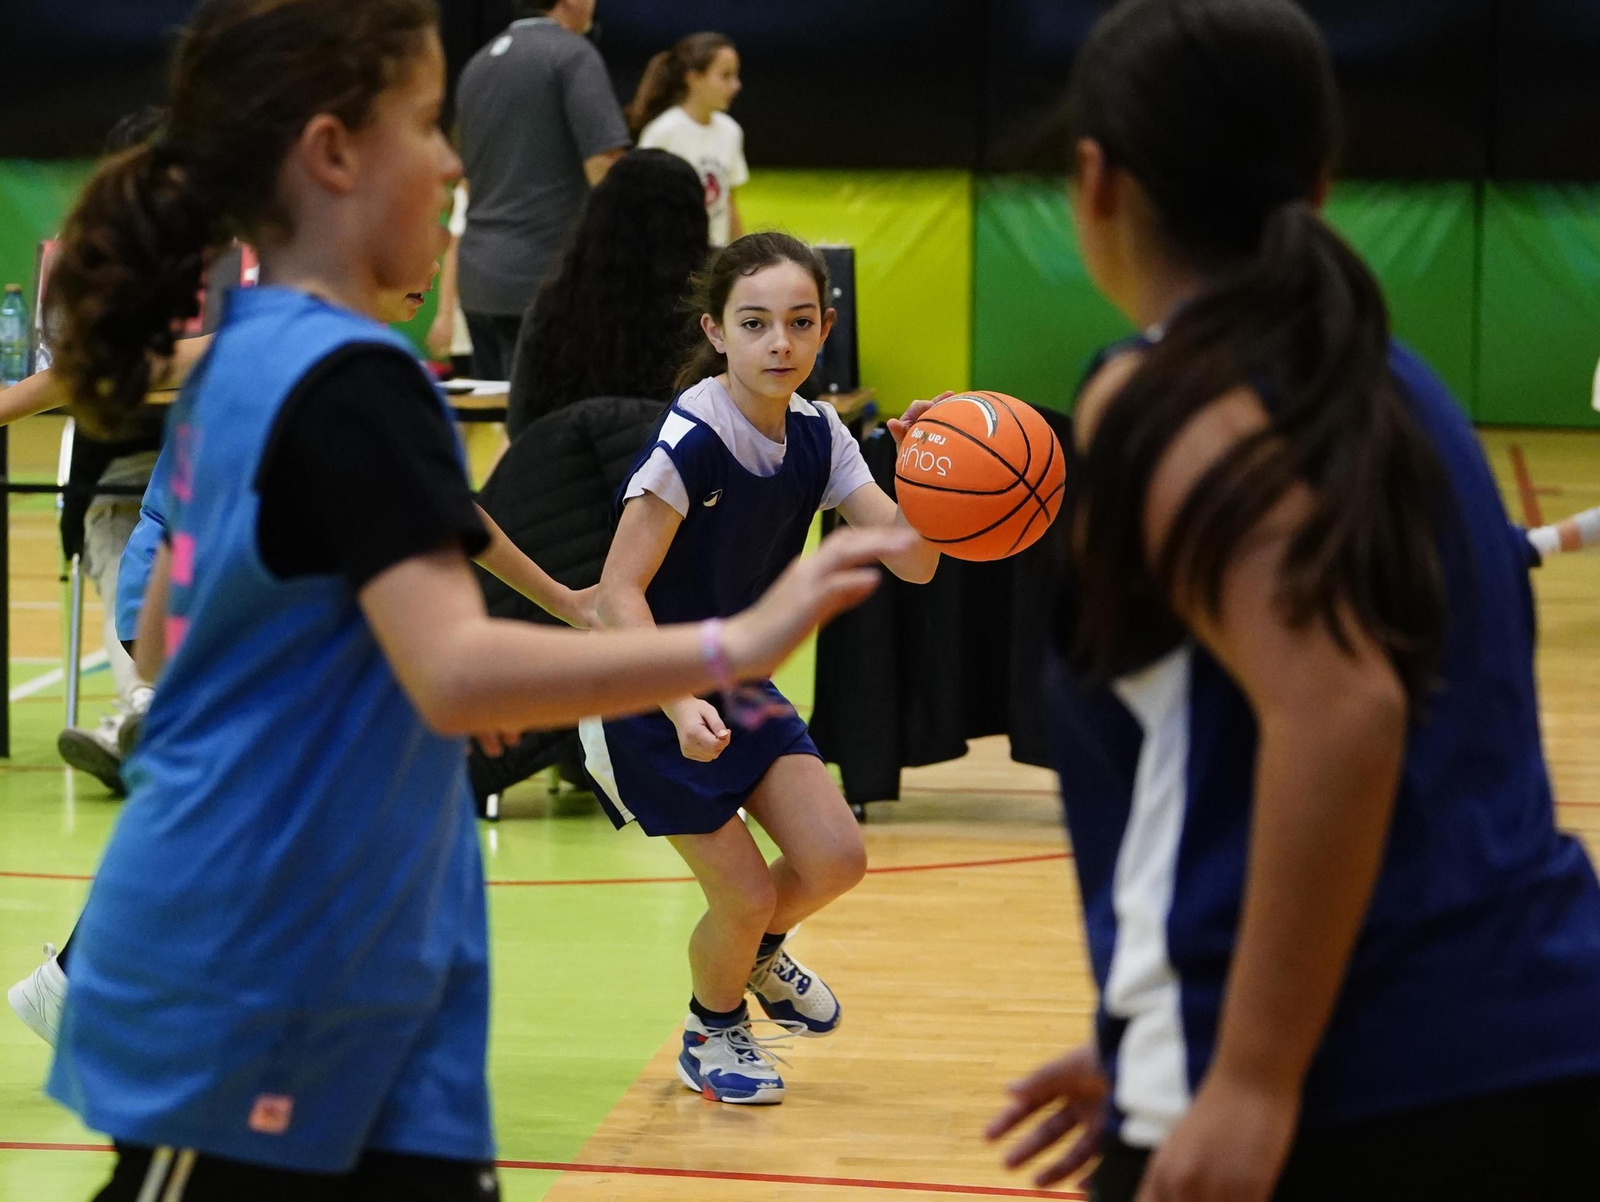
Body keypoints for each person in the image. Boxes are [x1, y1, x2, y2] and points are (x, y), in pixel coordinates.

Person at [35, 5, 906, 1199]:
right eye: (429, 126)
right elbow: (451, 666)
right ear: (334, 153)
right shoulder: (349, 375)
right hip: (269, 967)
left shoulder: (257, 350)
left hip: (340, 955)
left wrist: (382, 695)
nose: (454, 164)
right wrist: (737, 640)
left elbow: (176, 644)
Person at [984, 3, 1600, 1200]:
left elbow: (1341, 711)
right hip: (1545, 1038)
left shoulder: (1158, 394)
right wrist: (1148, 1037)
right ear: (1319, 179)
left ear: (1096, 179)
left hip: (1350, 1079)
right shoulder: (1399, 388)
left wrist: (1248, 1067)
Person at [583, 232, 944, 1105]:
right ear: (716, 331)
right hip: (643, 691)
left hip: (735, 683)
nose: (779, 343)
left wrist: (930, 471)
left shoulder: (826, 434)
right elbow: (616, 595)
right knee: (741, 896)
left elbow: (916, 562)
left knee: (835, 857)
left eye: (798, 322)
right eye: (755, 323)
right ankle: (713, 1031)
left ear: (824, 330)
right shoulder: (690, 441)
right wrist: (675, 705)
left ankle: (757, 955)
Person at [452, 0, 630, 380]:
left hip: (478, 282)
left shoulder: (478, 63)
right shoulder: (572, 54)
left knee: (500, 425)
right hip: (545, 282)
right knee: (548, 429)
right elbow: (605, 166)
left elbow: (464, 176)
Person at [507, 147, 707, 437]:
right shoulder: (712, 318)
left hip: (571, 474)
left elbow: (521, 426)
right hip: (681, 477)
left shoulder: (554, 310)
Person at [628, 33, 747, 247]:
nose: (736, 85)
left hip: (713, 258)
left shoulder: (730, 131)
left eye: (735, 75)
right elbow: (639, 207)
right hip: (669, 256)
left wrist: (744, 257)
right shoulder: (663, 132)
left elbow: (728, 202)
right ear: (693, 78)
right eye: (725, 76)